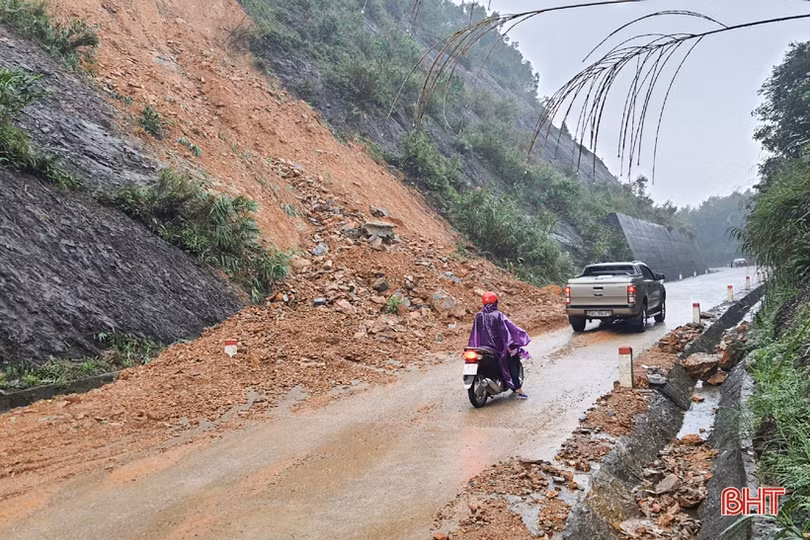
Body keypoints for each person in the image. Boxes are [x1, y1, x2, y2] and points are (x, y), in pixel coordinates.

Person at [467, 291, 530, 399]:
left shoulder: (478, 316)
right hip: (496, 349)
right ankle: (518, 388)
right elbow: (509, 329)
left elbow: (475, 333)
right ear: (496, 302)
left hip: (480, 347)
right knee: (513, 358)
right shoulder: (499, 315)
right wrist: (520, 335)